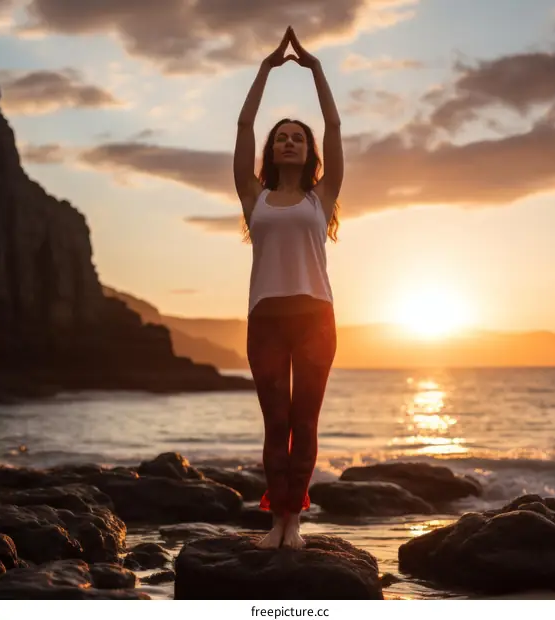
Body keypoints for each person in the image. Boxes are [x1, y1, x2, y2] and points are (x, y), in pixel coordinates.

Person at [233, 26, 343, 549]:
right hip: (266, 320)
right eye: (283, 138)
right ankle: (276, 519)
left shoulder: (321, 199)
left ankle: (294, 521)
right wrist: (266, 69)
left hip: (316, 319)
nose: (290, 141)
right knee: (276, 422)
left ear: (309, 150)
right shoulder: (254, 198)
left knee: (306, 421)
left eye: (298, 137)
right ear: (273, 152)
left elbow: (336, 126)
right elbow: (244, 123)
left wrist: (317, 70)